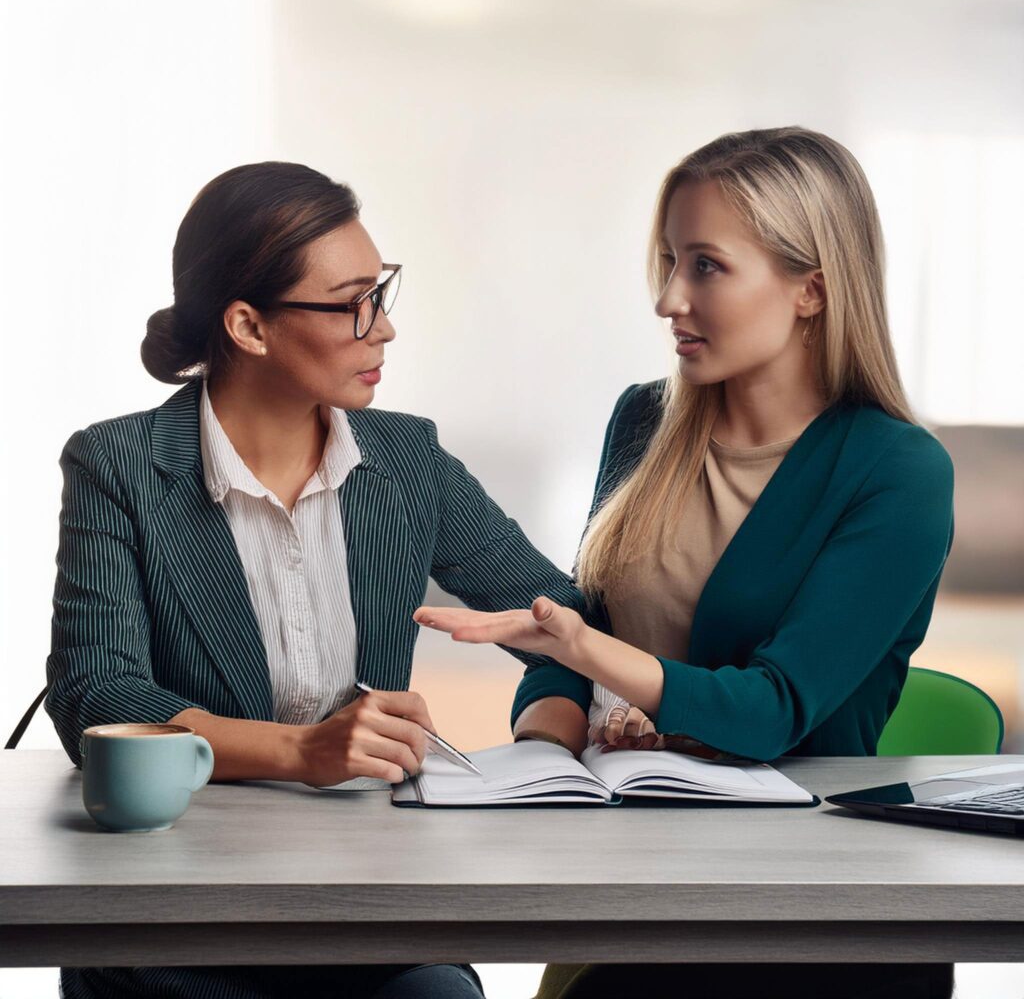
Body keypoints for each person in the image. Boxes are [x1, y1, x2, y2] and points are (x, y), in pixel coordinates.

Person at [414, 127, 956, 999]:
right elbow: (581, 633)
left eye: (705, 266)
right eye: (668, 261)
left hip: (813, 917)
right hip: (632, 871)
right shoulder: (644, 422)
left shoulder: (897, 471)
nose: (668, 298)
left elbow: (773, 708)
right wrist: (542, 754)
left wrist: (577, 650)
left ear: (811, 289)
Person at [44, 160, 598, 999]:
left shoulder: (406, 460)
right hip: (176, 912)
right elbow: (98, 693)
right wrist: (302, 752)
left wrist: (544, 741)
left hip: (368, 903)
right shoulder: (118, 464)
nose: (384, 330)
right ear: (248, 326)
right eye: (352, 304)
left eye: (383, 293)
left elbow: (567, 621)